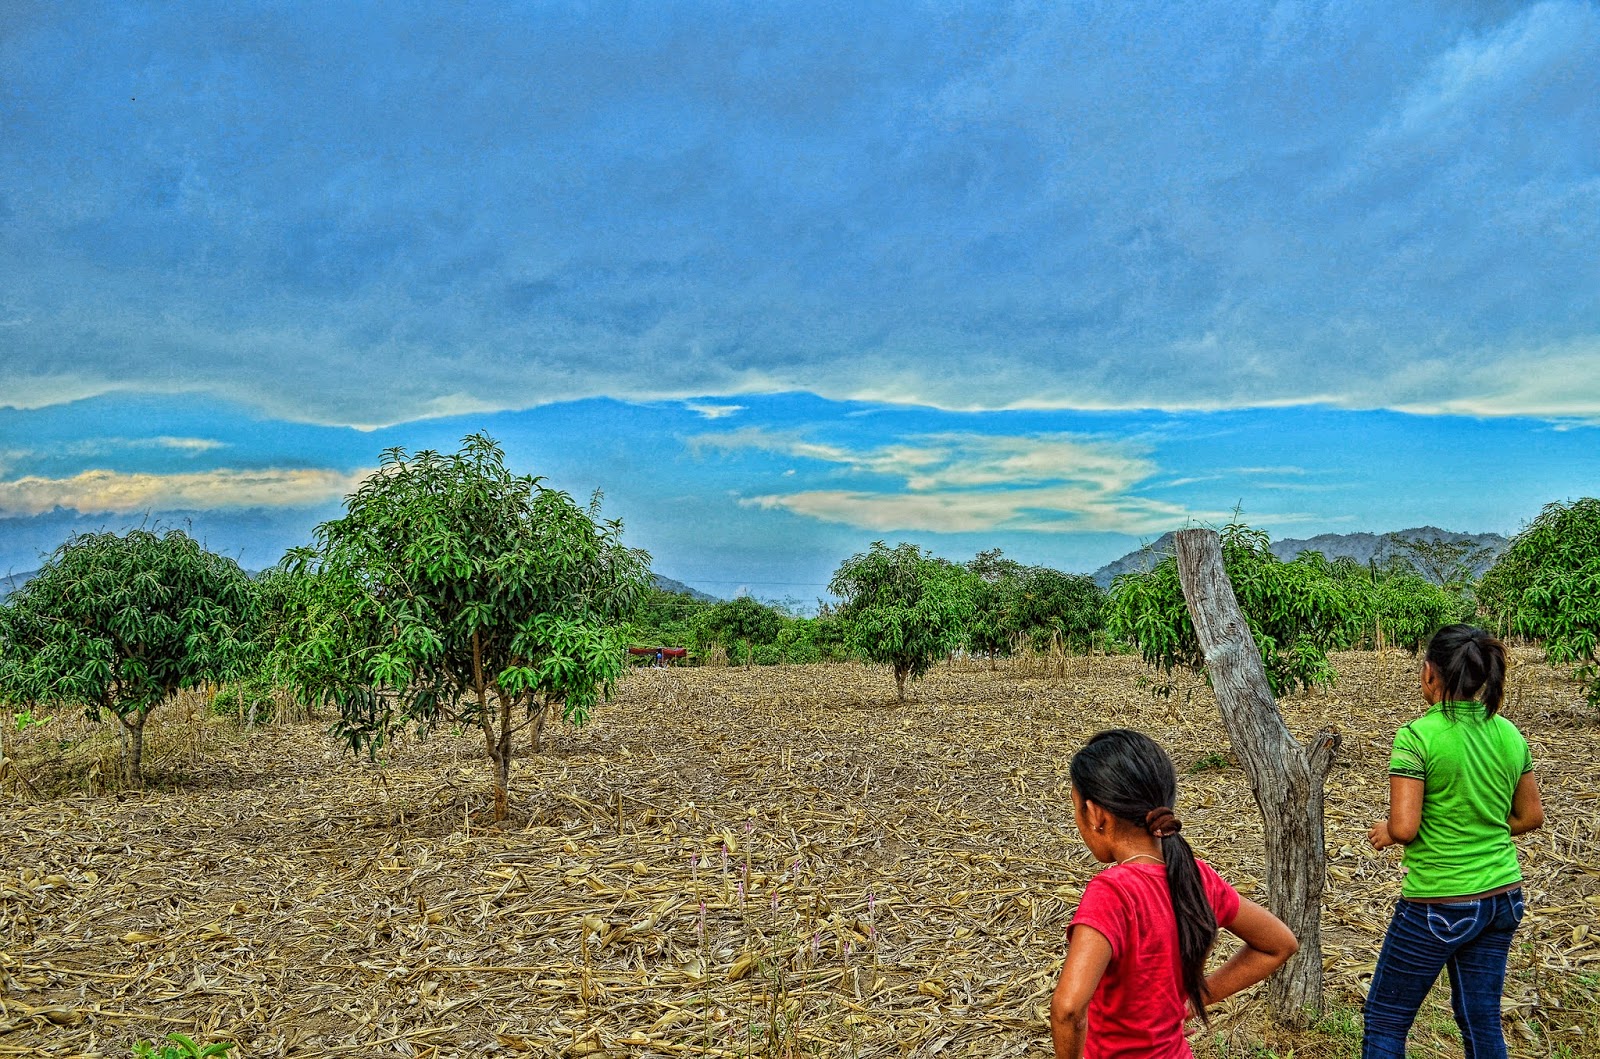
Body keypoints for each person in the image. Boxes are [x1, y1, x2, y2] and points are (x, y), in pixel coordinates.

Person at [1051, 729, 1298, 1059]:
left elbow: (1068, 1010)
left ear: (1096, 815)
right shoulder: (1197, 876)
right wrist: (1194, 1000)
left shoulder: (1112, 893)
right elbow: (1279, 944)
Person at [1364, 624, 1544, 1059]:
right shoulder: (1509, 734)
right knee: (1480, 1019)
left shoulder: (1418, 736)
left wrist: (1388, 832)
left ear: (1430, 673)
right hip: (1503, 897)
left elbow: (1405, 827)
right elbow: (1530, 816)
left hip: (1440, 901)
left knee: (1386, 1019)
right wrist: (1480, 824)